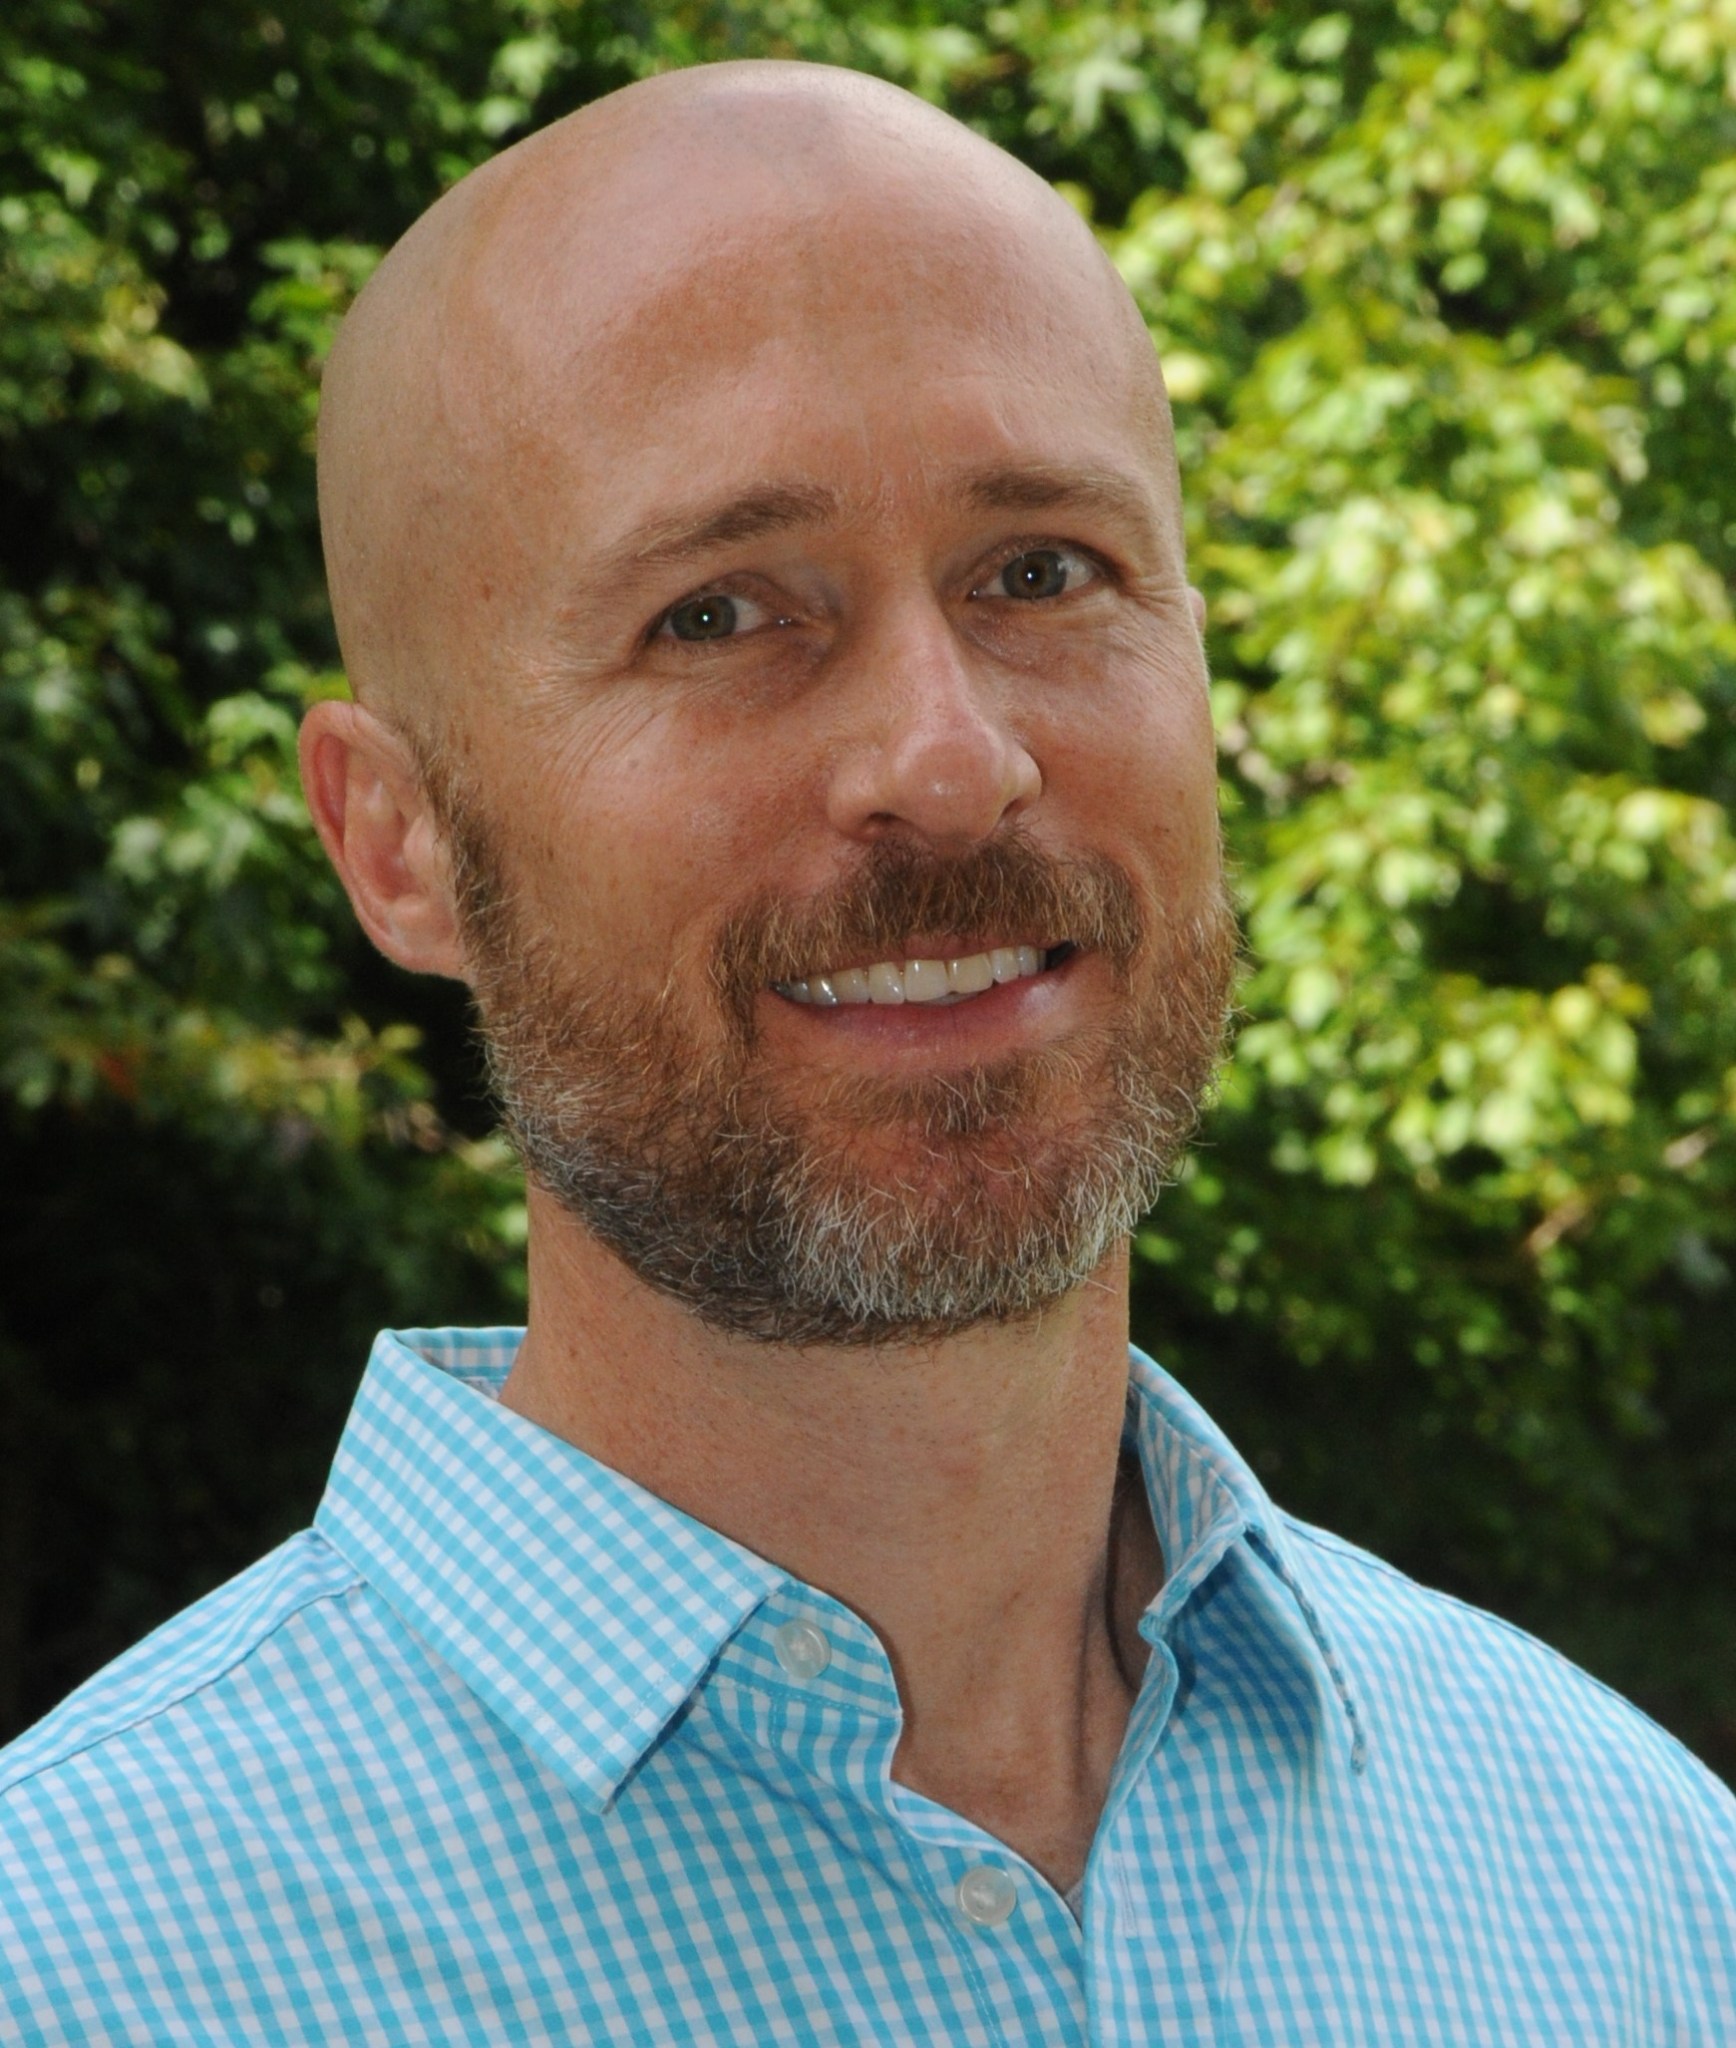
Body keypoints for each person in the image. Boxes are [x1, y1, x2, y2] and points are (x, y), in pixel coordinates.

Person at [1, 58, 1731, 2046]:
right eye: (722, 610)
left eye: (1039, 572)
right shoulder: (83, 1967)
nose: (945, 759)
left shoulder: (1632, 1888)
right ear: (397, 846)